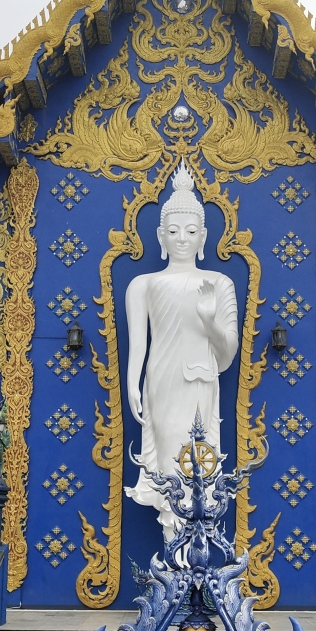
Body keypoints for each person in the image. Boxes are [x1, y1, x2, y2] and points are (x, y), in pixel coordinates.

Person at [125, 161, 239, 540]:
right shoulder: (143, 285)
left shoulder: (218, 283)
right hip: (161, 382)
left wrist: (208, 321)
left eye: (191, 231)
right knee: (169, 471)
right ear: (160, 236)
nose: (182, 238)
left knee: (198, 467)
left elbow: (226, 356)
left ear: (204, 236)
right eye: (173, 231)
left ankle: (195, 562)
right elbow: (139, 346)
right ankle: (174, 558)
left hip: (200, 384)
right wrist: (132, 385)